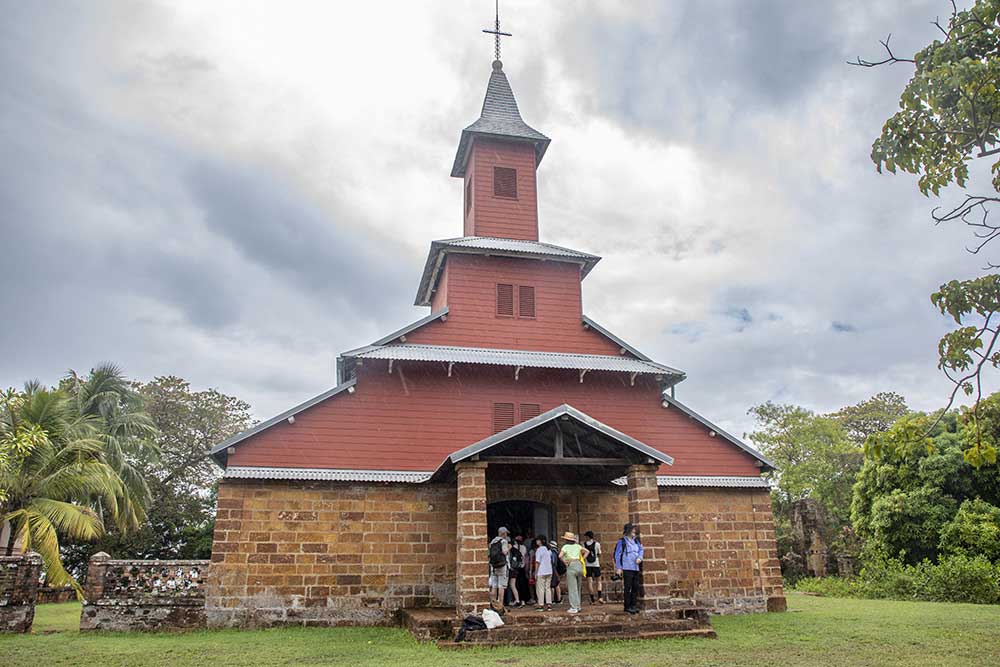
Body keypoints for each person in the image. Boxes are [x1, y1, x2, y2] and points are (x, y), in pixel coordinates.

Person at [613, 522, 644, 614]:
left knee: (635, 587)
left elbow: (641, 549)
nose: (634, 531)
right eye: (632, 529)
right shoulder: (622, 541)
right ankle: (627, 606)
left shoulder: (636, 541)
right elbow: (617, 555)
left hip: (635, 567)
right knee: (628, 587)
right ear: (628, 531)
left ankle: (633, 605)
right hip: (627, 567)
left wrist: (640, 557)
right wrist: (619, 567)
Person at [558, 531, 589, 614]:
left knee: (572, 588)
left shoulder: (565, 546)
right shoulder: (578, 546)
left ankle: (574, 607)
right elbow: (587, 552)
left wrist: (565, 562)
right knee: (578, 586)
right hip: (579, 565)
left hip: (571, 565)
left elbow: (560, 556)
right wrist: (581, 558)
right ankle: (578, 606)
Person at [488, 527, 511, 605]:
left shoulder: (492, 541)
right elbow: (505, 552)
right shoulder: (504, 541)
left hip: (493, 566)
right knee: (501, 585)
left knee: (494, 585)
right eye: (506, 533)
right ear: (504, 533)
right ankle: (500, 604)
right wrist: (509, 548)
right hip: (502, 565)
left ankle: (494, 604)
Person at [582, 530, 604, 604]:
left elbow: (582, 553)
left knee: (589, 582)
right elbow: (599, 553)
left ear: (587, 537)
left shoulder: (583, 544)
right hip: (596, 564)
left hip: (587, 564)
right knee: (599, 581)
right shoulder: (597, 544)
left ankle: (592, 599)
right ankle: (600, 597)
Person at [532, 535, 552, 611]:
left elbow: (537, 562)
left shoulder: (539, 550)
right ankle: (549, 604)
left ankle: (541, 604)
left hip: (541, 571)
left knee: (540, 588)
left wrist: (536, 572)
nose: (536, 542)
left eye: (537, 540)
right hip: (549, 570)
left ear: (540, 541)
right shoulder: (548, 549)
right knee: (547, 588)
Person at [507, 534, 526, 607]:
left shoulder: (510, 551)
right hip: (517, 569)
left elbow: (508, 561)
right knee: (513, 585)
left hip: (511, 570)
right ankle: (517, 600)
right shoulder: (517, 550)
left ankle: (513, 600)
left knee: (510, 585)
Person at [548, 540, 562, 604]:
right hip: (556, 570)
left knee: (552, 585)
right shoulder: (557, 552)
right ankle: (558, 599)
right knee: (557, 585)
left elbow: (553, 562)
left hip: (553, 569)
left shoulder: (552, 552)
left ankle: (553, 599)